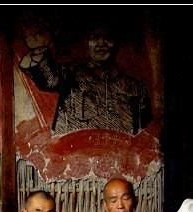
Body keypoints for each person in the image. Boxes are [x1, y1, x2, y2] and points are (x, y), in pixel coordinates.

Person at [19, 22, 151, 136]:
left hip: (119, 162)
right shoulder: (69, 74)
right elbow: (48, 79)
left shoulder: (136, 88)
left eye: (108, 37)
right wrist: (38, 50)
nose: (101, 43)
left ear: (117, 42)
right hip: (72, 161)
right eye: (95, 37)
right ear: (87, 42)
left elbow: (146, 134)